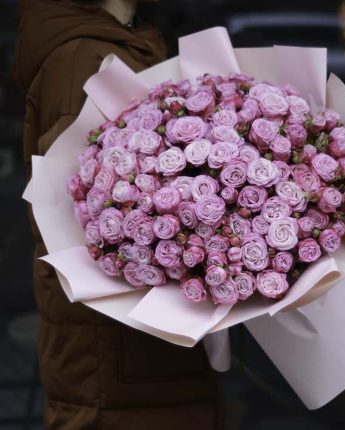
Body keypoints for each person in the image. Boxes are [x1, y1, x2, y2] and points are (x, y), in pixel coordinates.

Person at [13, 1, 224, 428]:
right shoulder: (83, 59)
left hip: (135, 346)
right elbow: (81, 222)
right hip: (116, 353)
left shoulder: (125, 40)